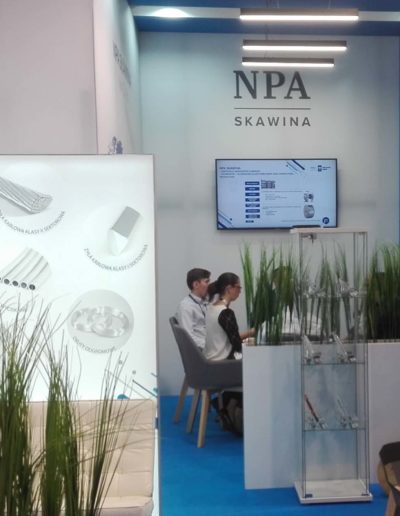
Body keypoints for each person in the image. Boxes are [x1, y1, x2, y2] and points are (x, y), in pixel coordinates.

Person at [204, 272, 254, 360]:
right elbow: (237, 344)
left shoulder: (210, 308)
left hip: (210, 359)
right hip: (224, 361)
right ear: (229, 289)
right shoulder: (226, 313)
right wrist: (251, 336)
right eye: (238, 287)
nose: (240, 291)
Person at [176, 268, 211, 350]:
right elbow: (188, 337)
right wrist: (211, 346)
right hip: (204, 351)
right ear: (196, 284)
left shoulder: (204, 302)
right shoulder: (186, 306)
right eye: (206, 282)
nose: (209, 285)